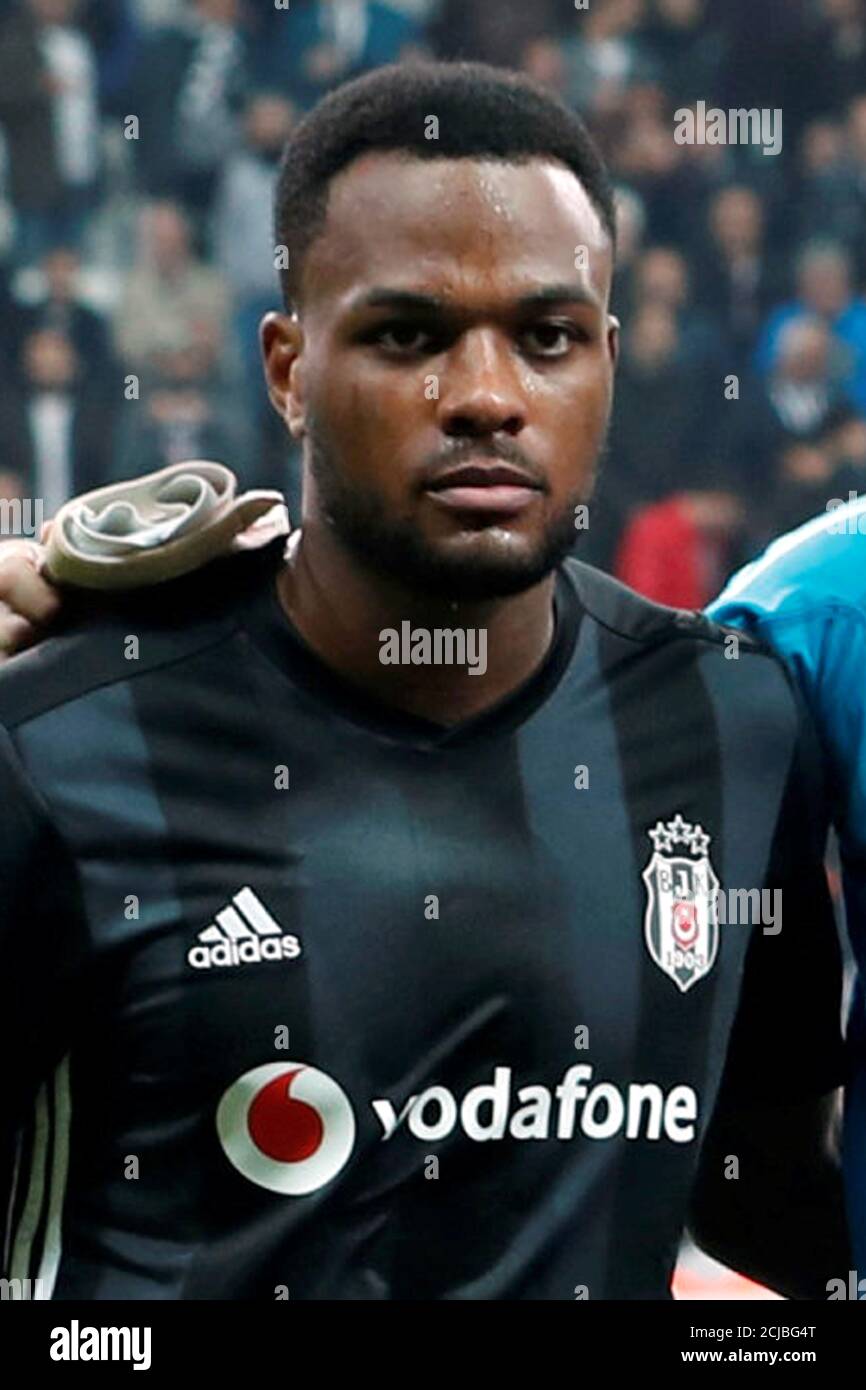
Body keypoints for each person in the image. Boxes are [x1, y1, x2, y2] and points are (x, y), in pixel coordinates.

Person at [0, 63, 848, 1301]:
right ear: (288, 369)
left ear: (607, 361)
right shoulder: (61, 746)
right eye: (411, 336)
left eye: (546, 338)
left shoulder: (735, 724)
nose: (489, 397)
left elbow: (769, 1211)